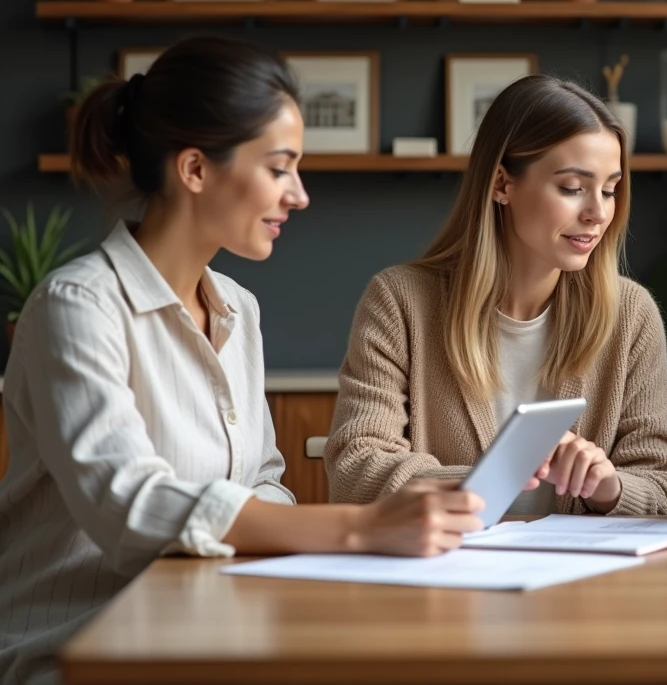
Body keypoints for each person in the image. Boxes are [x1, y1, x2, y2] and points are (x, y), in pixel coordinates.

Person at [0, 37, 487, 685]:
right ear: (196, 169)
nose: (300, 195)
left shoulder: (237, 307)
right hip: (76, 652)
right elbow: (129, 502)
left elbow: (260, 481)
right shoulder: (76, 307)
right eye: (280, 167)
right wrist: (361, 528)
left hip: (207, 632)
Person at [325, 74, 667, 516]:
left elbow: (663, 487)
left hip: (583, 579)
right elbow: (355, 471)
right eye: (572, 188)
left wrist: (608, 485)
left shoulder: (631, 315)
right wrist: (499, 474)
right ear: (501, 184)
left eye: (609, 189)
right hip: (444, 576)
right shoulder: (400, 302)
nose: (598, 212)